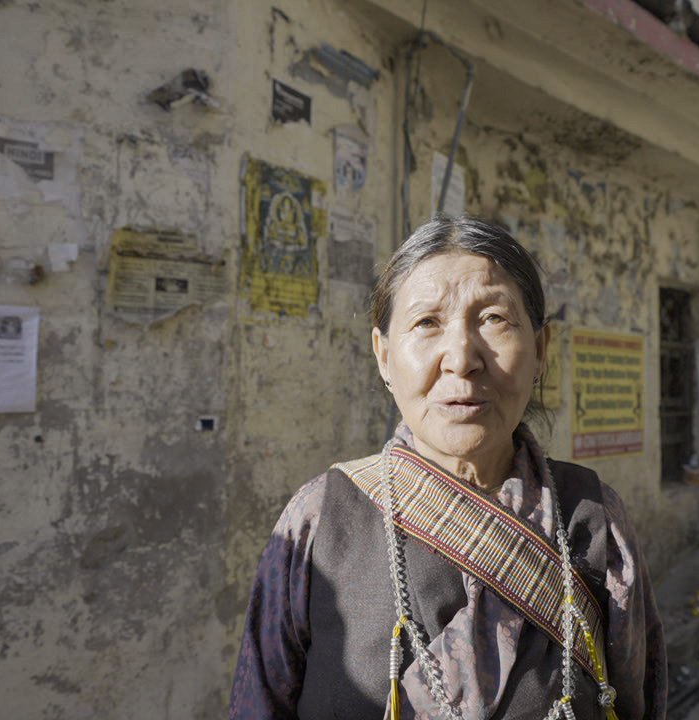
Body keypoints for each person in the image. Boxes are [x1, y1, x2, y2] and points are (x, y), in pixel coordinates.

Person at [229, 216, 667, 719]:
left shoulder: (594, 517)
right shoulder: (320, 519)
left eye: (494, 319)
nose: (461, 358)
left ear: (542, 350)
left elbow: (639, 703)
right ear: (384, 356)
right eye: (427, 322)